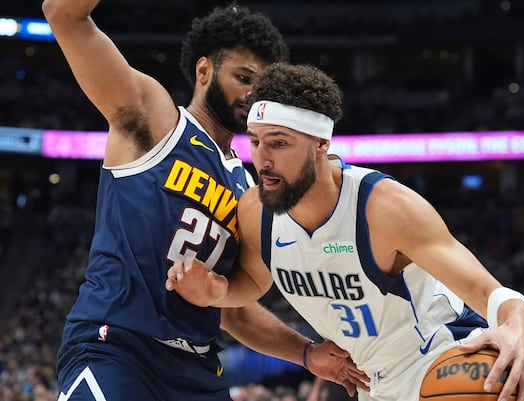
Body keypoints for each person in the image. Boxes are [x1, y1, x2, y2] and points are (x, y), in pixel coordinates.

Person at [42, 2, 367, 400]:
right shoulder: (156, 118)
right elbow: (63, 15)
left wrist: (305, 353)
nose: (251, 94)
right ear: (204, 71)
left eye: (260, 87)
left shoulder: (247, 187)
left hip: (198, 369)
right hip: (120, 347)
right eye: (243, 77)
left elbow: (231, 306)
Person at [165, 62, 524, 401]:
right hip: (373, 384)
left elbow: (490, 292)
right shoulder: (255, 211)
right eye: (256, 141)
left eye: (279, 143)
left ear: (320, 144)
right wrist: (220, 291)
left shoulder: (386, 209)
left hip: (439, 357)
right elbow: (253, 280)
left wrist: (519, 327)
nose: (263, 159)